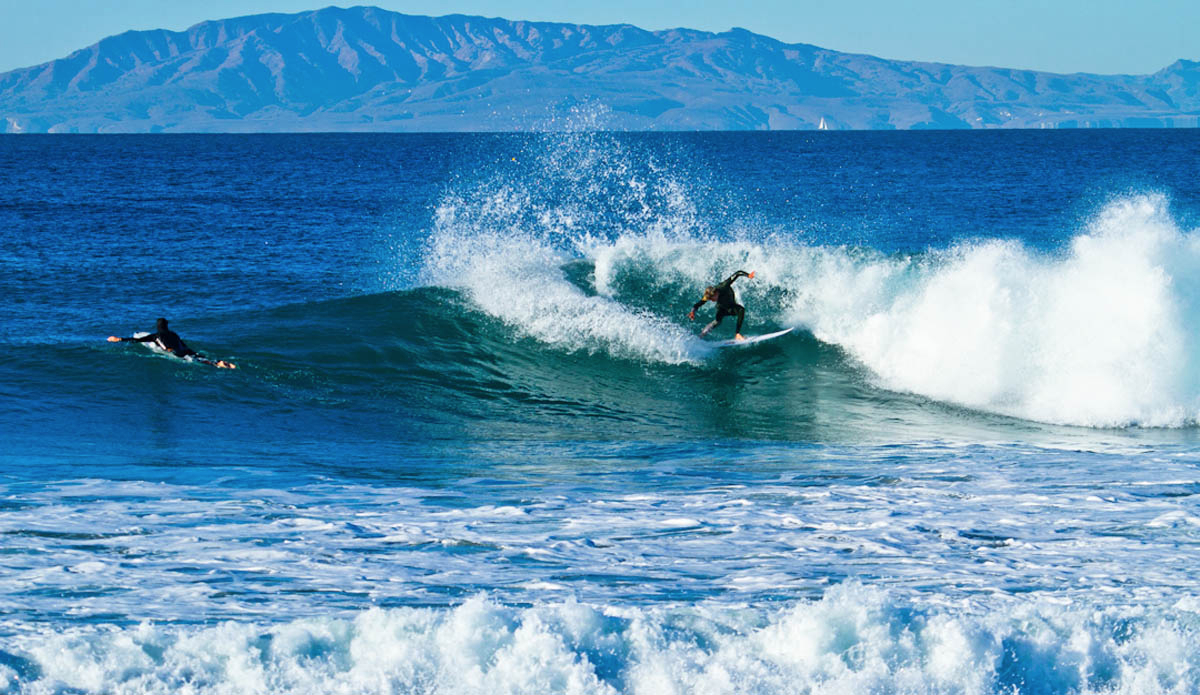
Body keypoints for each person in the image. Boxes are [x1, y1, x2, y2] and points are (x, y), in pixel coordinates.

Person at [108, 318, 236, 369]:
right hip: (186, 349)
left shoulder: (155, 336)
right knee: (198, 357)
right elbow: (182, 343)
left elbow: (137, 340)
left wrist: (118, 339)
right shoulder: (174, 333)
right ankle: (218, 362)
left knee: (195, 361)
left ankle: (216, 364)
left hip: (175, 352)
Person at [689, 270, 755, 340]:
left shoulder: (724, 286)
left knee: (741, 310)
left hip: (731, 304)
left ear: (716, 293)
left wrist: (748, 275)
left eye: (712, 299)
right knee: (717, 322)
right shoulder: (709, 295)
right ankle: (701, 336)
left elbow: (738, 273)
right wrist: (692, 311)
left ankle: (737, 334)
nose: (711, 300)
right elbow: (699, 303)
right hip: (721, 307)